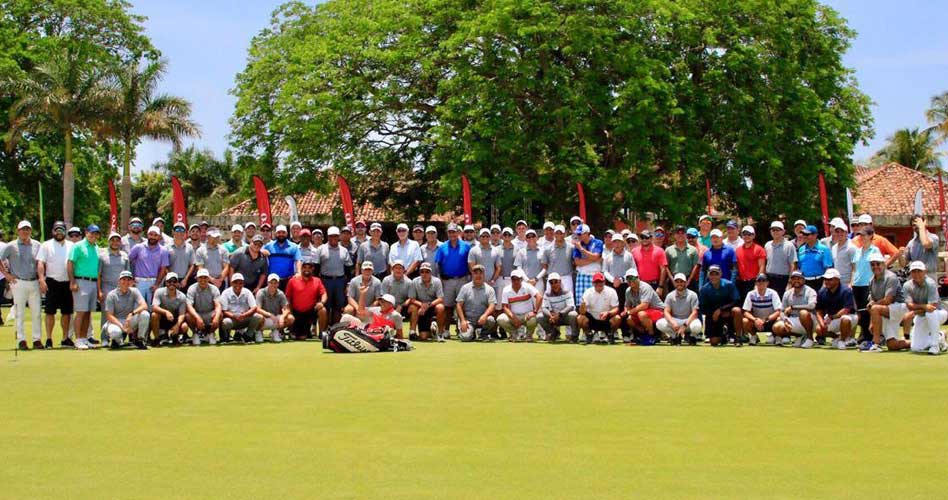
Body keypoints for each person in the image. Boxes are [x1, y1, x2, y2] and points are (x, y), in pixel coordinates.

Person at [0, 221, 42, 350]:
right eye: (23, 229)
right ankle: (21, 339)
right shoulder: (11, 246)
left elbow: (40, 262)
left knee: (37, 312)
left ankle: (37, 339)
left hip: (34, 281)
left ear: (31, 231)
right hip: (18, 282)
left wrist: (41, 279)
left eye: (27, 229)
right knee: (20, 313)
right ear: (18, 231)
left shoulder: (37, 245)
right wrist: (6, 275)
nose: (25, 232)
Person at [37, 221, 74, 348]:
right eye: (57, 230)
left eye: (62, 230)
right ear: (53, 231)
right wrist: (41, 279)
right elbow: (41, 263)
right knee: (50, 312)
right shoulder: (46, 245)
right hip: (51, 282)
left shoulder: (71, 245)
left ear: (65, 231)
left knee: (66, 312)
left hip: (67, 282)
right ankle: (49, 339)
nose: (59, 233)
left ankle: (65, 338)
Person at [864, 254, 911, 353]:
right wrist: (871, 304)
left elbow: (887, 300)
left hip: (900, 307)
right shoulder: (871, 281)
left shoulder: (891, 277)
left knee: (875, 309)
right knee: (892, 345)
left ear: (884, 264)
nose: (875, 266)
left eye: (878, 264)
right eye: (873, 264)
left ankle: (876, 344)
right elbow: (873, 300)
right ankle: (921, 343)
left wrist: (873, 306)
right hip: (887, 310)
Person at [435, 223, 472, 337]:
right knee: (448, 307)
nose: (452, 234)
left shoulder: (466, 246)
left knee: (462, 305)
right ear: (447, 233)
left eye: (454, 232)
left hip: (463, 279)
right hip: (447, 280)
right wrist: (440, 278)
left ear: (458, 233)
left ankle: (461, 329)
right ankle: (446, 330)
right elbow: (438, 264)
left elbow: (470, 263)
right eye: (450, 232)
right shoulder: (442, 247)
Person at [903, 261, 948, 355]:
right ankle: (940, 337)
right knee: (915, 347)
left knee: (930, 313)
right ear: (911, 273)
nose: (916, 274)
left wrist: (915, 311)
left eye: (919, 271)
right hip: (921, 315)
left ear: (925, 272)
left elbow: (932, 307)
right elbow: (909, 305)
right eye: (914, 271)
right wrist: (923, 306)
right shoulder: (907, 285)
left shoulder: (930, 283)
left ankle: (935, 346)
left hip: (940, 313)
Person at [68, 225, 101, 350]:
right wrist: (72, 282)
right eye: (91, 233)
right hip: (81, 281)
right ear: (86, 233)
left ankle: (84, 338)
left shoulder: (96, 248)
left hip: (93, 282)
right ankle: (77, 340)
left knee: (88, 313)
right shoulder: (78, 246)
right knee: (81, 312)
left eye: (96, 233)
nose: (93, 235)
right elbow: (70, 263)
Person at [849, 227, 882, 344]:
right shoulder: (857, 251)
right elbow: (854, 269)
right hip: (857, 284)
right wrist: (851, 282)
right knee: (860, 312)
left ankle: (869, 336)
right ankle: (864, 334)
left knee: (867, 310)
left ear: (870, 236)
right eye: (860, 235)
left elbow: (879, 268)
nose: (861, 237)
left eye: (864, 235)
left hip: (868, 284)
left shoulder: (875, 251)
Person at [102, 270, 150, 350]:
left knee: (145, 314)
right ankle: (118, 340)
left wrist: (132, 313)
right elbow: (109, 315)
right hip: (116, 321)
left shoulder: (134, 291)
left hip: (129, 320)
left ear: (131, 282)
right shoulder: (111, 295)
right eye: (123, 279)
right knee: (115, 333)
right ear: (119, 281)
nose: (126, 282)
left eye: (128, 280)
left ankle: (140, 340)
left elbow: (144, 305)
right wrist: (123, 327)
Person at [699, 265, 742, 346]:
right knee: (714, 342)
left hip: (728, 313)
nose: (714, 276)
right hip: (713, 316)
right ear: (708, 275)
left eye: (716, 274)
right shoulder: (704, 289)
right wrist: (714, 313)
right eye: (711, 274)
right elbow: (703, 307)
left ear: (720, 274)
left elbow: (736, 301)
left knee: (737, 310)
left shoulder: (729, 285)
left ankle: (738, 338)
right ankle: (723, 335)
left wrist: (721, 310)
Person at [316, 226, 351, 326]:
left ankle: (335, 329)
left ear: (339, 236)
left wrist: (347, 284)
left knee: (338, 307)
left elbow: (348, 269)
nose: (333, 238)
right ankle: (324, 329)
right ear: (327, 237)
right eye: (331, 236)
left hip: (340, 281)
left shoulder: (344, 250)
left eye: (335, 236)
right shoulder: (321, 249)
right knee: (326, 306)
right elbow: (316, 268)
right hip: (325, 280)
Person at [285, 260, 328, 341]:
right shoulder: (293, 280)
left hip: (310, 312)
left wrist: (322, 302)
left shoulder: (317, 281)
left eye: (309, 267)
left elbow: (324, 294)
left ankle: (321, 333)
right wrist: (289, 311)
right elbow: (287, 297)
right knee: (299, 338)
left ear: (313, 269)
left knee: (323, 310)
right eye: (304, 267)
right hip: (296, 312)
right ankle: (291, 331)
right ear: (301, 268)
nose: (307, 269)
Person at [814, 268, 857, 350]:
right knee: (819, 329)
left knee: (845, 319)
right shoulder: (822, 292)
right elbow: (819, 310)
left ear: (837, 280)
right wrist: (822, 323)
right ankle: (839, 337)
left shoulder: (846, 291)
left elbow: (846, 310)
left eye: (830, 279)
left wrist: (832, 317)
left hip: (850, 317)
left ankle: (842, 341)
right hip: (832, 318)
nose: (827, 281)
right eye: (825, 279)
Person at [98, 233, 130, 339]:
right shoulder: (102, 256)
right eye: (113, 240)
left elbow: (128, 274)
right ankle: (104, 338)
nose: (115, 242)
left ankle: (120, 336)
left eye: (117, 240)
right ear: (109, 241)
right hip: (106, 287)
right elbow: (99, 275)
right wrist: (99, 291)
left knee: (122, 312)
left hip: (122, 288)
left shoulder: (124, 256)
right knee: (106, 313)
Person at [773, 271, 817, 347]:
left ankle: (810, 338)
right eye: (794, 279)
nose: (796, 281)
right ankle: (800, 336)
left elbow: (812, 306)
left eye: (799, 278)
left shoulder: (810, 291)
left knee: (803, 313)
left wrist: (793, 307)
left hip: (810, 321)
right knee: (776, 327)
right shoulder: (787, 293)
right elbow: (782, 311)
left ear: (803, 280)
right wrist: (785, 320)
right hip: (794, 320)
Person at [128, 226, 170, 306]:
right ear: (147, 235)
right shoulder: (138, 247)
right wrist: (131, 279)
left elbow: (163, 269)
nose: (153, 237)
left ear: (159, 236)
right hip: (139, 282)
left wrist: (157, 284)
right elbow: (127, 262)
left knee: (153, 308)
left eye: (155, 235)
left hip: (154, 282)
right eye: (151, 234)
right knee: (137, 307)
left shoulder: (163, 250)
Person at [656, 273, 702, 345]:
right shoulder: (670, 295)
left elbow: (695, 313)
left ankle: (691, 337)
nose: (679, 283)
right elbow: (666, 312)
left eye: (681, 281)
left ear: (685, 282)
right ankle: (675, 337)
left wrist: (685, 325)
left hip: (688, 321)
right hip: (675, 321)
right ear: (674, 283)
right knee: (659, 323)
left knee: (697, 326)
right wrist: (672, 322)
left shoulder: (693, 295)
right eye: (677, 282)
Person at [621, 268, 664, 345]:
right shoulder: (628, 291)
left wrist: (629, 312)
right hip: (644, 312)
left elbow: (644, 305)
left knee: (641, 314)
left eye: (632, 278)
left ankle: (652, 336)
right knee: (629, 319)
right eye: (628, 278)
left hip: (659, 311)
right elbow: (627, 306)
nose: (630, 280)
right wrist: (627, 312)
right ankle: (643, 335)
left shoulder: (645, 287)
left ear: (638, 278)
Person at [455, 264, 497, 342]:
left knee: (491, 320)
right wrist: (463, 320)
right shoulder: (465, 288)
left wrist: (485, 315)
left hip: (482, 319)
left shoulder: (489, 289)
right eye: (475, 273)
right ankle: (472, 333)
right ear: (472, 274)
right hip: (468, 320)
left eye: (480, 273)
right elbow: (458, 305)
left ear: (484, 275)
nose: (478, 275)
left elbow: (492, 305)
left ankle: (483, 334)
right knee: (465, 338)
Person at [497, 269, 542, 342]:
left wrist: (535, 312)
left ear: (521, 279)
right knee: (500, 319)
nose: (516, 281)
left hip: (527, 316)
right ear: (511, 280)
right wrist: (512, 316)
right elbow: (504, 307)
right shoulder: (506, 289)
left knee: (533, 319)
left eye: (518, 279)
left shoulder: (527, 286)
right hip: (514, 315)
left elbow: (539, 297)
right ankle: (514, 334)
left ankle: (529, 335)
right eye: (513, 279)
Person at [220, 273, 264, 343]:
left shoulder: (247, 292)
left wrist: (244, 315)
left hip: (244, 318)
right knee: (226, 322)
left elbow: (254, 307)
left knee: (258, 317)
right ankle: (226, 337)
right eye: (235, 283)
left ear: (243, 283)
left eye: (240, 283)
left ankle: (248, 336)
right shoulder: (226, 293)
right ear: (231, 283)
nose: (238, 285)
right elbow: (224, 310)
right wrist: (234, 316)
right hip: (232, 319)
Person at [576, 272, 620, 344]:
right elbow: (582, 312)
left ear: (604, 282)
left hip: (606, 319)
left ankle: (610, 335)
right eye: (596, 282)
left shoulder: (611, 291)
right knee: (580, 318)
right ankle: (589, 335)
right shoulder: (588, 292)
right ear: (593, 283)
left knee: (617, 318)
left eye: (600, 282)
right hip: (592, 320)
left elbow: (616, 308)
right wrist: (582, 306)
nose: (598, 284)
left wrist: (608, 313)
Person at [407, 262, 445, 341]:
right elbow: (412, 299)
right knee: (423, 337)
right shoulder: (414, 281)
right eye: (422, 272)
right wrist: (422, 305)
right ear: (420, 273)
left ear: (431, 273)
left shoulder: (437, 281)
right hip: (420, 309)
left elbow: (440, 298)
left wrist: (428, 305)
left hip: (432, 307)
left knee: (440, 307)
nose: (424, 274)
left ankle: (440, 333)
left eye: (427, 272)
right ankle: (413, 332)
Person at [741, 274, 782, 345]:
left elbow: (778, 311)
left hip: (770, 321)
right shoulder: (750, 294)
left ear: (767, 283)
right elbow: (745, 312)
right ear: (756, 283)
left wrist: (765, 320)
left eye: (763, 280)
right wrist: (755, 320)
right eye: (759, 281)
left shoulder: (773, 293)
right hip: (757, 323)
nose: (761, 282)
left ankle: (777, 336)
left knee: (779, 319)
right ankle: (754, 336)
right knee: (745, 321)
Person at [537, 272, 578, 342]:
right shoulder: (547, 293)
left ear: (560, 282)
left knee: (573, 315)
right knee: (539, 317)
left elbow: (570, 306)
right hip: (553, 317)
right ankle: (553, 333)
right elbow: (544, 308)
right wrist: (550, 316)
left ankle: (574, 336)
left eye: (556, 282)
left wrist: (559, 314)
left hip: (565, 316)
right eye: (551, 282)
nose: (554, 284)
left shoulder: (567, 291)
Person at [150, 272, 189, 346]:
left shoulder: (182, 296)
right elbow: (154, 307)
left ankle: (174, 336)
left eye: (174, 281)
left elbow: (182, 314)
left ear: (177, 283)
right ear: (166, 282)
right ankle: (157, 339)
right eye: (169, 281)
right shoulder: (159, 292)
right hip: (162, 319)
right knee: (154, 315)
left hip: (174, 320)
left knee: (184, 327)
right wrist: (166, 312)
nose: (172, 283)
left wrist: (177, 325)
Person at [186, 269, 223, 346]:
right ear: (197, 278)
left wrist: (216, 317)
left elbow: (218, 305)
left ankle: (210, 334)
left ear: (208, 279)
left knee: (220, 315)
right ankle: (195, 334)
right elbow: (189, 306)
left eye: (205, 277)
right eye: (200, 277)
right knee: (188, 315)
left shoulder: (214, 289)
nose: (203, 280)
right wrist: (197, 318)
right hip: (197, 313)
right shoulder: (191, 288)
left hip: (209, 313)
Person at [340, 293, 404, 337]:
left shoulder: (396, 315)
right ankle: (340, 336)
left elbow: (399, 334)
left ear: (391, 305)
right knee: (346, 317)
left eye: (384, 301)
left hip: (381, 337)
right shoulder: (375, 309)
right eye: (381, 301)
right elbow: (360, 311)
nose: (381, 303)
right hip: (366, 332)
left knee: (387, 328)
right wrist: (362, 294)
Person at [572, 224, 603, 308]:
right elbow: (577, 262)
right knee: (582, 303)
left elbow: (595, 256)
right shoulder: (578, 244)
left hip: (594, 275)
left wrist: (581, 249)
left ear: (587, 233)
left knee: (595, 302)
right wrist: (594, 259)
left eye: (580, 234)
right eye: (577, 234)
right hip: (581, 275)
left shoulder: (598, 242)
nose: (578, 236)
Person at [256, 273, 293, 342]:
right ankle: (258, 332)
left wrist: (282, 317)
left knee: (290, 318)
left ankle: (276, 331)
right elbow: (257, 309)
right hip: (264, 318)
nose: (273, 285)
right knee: (258, 317)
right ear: (267, 283)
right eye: (271, 283)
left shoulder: (280, 293)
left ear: (278, 284)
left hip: (276, 319)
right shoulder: (261, 292)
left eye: (275, 283)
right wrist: (269, 315)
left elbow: (287, 309)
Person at [901, 215, 939, 283]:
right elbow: (904, 263)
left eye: (918, 223)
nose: (916, 226)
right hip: (915, 277)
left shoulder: (934, 237)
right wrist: (899, 255)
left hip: (929, 276)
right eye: (914, 225)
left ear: (925, 223)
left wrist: (921, 227)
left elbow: (925, 244)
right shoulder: (911, 243)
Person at [632, 229, 668, 298]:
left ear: (651, 238)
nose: (644, 239)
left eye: (646, 237)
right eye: (642, 237)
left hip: (655, 285)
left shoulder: (659, 251)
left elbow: (663, 270)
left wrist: (660, 287)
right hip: (640, 285)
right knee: (642, 307)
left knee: (656, 308)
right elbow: (633, 269)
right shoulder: (634, 251)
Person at [603, 233, 635, 309]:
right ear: (612, 243)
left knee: (625, 306)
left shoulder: (629, 255)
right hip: (612, 285)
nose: (617, 244)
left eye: (619, 241)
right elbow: (605, 271)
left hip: (626, 285)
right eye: (615, 242)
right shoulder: (608, 257)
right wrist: (613, 280)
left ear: (623, 243)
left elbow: (633, 270)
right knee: (613, 306)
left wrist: (621, 279)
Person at [765, 221, 797, 297]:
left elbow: (793, 265)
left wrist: (790, 282)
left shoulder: (789, 245)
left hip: (783, 279)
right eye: (773, 230)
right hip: (769, 278)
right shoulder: (767, 245)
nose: (775, 232)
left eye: (778, 230)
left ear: (783, 231)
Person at [264, 224, 301, 290]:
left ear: (287, 234)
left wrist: (299, 272)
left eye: (283, 232)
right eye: (279, 232)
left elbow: (298, 260)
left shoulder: (293, 246)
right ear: (275, 234)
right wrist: (262, 251)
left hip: (288, 280)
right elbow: (259, 251)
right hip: (272, 281)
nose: (281, 234)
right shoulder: (268, 246)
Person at [797, 225, 833, 291]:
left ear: (815, 235)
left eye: (807, 234)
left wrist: (825, 284)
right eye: (803, 234)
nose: (804, 236)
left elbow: (828, 268)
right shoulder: (801, 249)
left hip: (819, 282)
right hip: (805, 282)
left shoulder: (824, 249)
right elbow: (799, 267)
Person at [734, 225, 766, 298]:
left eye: (749, 234)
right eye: (744, 234)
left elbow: (762, 266)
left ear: (754, 235)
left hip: (753, 282)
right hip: (741, 283)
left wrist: (758, 283)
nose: (746, 236)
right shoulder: (738, 250)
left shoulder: (759, 249)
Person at [665, 226, 699, 294]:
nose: (680, 235)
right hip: (674, 280)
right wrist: (672, 280)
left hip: (688, 280)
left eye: (682, 233)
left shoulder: (693, 250)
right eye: (678, 233)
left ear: (686, 235)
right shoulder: (668, 250)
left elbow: (695, 266)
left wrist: (689, 281)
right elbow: (666, 266)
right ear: (674, 235)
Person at [515, 229, 548, 295]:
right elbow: (519, 267)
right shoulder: (521, 251)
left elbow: (545, 268)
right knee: (525, 304)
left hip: (538, 282)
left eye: (533, 236)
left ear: (536, 238)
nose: (531, 238)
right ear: (526, 239)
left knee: (539, 304)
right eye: (528, 237)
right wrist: (527, 280)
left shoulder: (543, 251)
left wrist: (536, 279)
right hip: (525, 282)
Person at [545, 225, 574, 295]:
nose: (559, 235)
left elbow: (574, 262)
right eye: (557, 233)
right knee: (550, 301)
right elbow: (545, 264)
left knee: (569, 300)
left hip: (566, 278)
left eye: (561, 233)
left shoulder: (571, 247)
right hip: (552, 279)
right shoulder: (548, 249)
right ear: (554, 234)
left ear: (564, 234)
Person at [168, 222, 197, 291]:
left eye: (182, 230)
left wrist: (186, 279)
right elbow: (165, 266)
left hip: (185, 280)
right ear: (173, 232)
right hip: (170, 281)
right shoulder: (167, 247)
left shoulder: (189, 247)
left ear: (185, 233)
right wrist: (173, 280)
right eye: (177, 230)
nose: (179, 232)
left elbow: (192, 265)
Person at [494, 227, 518, 306]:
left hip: (513, 279)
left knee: (512, 302)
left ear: (512, 236)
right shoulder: (496, 249)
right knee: (499, 303)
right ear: (502, 236)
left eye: (509, 234)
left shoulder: (517, 249)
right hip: (500, 278)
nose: (507, 236)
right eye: (505, 234)